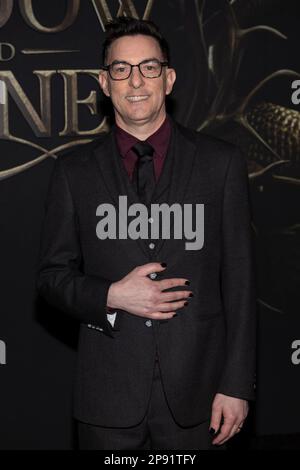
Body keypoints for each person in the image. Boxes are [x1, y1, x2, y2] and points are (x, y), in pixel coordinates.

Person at [36, 16, 256, 450]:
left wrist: (237, 385)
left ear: (168, 78)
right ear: (104, 82)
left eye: (149, 67)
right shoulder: (72, 173)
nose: (135, 80)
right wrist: (111, 295)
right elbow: (50, 278)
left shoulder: (221, 164)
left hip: (202, 395)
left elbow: (241, 282)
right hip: (107, 400)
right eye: (121, 68)